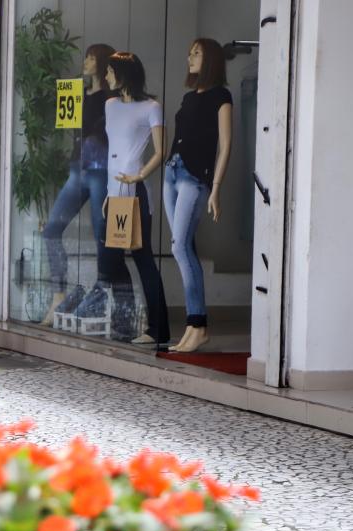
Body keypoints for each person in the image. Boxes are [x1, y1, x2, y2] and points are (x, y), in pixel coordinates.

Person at [163, 38, 232, 352]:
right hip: (172, 174)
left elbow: (225, 145)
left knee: (180, 247)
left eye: (197, 52)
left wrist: (215, 188)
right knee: (182, 247)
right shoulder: (189, 97)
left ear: (212, 59)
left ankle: (198, 324)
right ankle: (193, 326)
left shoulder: (222, 96)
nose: (189, 56)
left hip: (194, 179)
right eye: (189, 51)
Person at [99, 51, 170, 345]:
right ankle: (127, 320)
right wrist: (107, 193)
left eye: (110, 71)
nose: (106, 77)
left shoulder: (151, 108)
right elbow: (113, 149)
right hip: (114, 191)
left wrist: (140, 176)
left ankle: (157, 329)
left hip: (135, 191)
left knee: (143, 258)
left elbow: (160, 150)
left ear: (124, 73)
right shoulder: (110, 105)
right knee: (110, 259)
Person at [41, 43, 116, 324]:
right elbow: (71, 128)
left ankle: (104, 293)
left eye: (92, 57)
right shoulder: (78, 94)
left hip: (100, 168)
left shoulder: (112, 99)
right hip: (78, 166)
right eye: (86, 57)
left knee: (102, 234)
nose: (86, 62)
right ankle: (58, 294)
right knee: (51, 230)